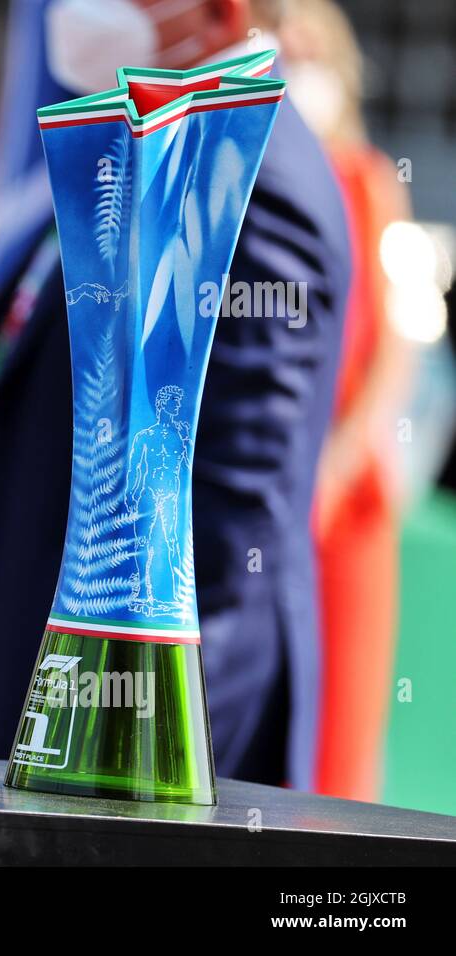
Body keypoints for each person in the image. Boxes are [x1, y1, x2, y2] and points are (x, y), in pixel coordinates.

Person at [0, 0, 352, 790]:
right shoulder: (141, 135)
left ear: (219, 12)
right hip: (37, 704)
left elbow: (231, 538)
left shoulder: (253, 180)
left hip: (121, 752)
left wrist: (132, 774)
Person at [280, 0, 413, 801]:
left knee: (342, 739)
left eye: (310, 54)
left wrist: (341, 456)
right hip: (275, 492)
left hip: (345, 501)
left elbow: (395, 345)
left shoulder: (368, 184)